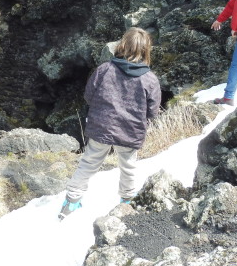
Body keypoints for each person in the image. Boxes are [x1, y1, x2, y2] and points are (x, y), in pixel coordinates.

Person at [59, 27, 162, 220]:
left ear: (122, 45)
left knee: (89, 163)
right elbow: (153, 112)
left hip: (101, 127)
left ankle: (71, 203)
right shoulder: (150, 79)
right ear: (146, 50)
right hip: (130, 131)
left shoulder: (104, 69)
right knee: (129, 167)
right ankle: (126, 202)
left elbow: (89, 96)